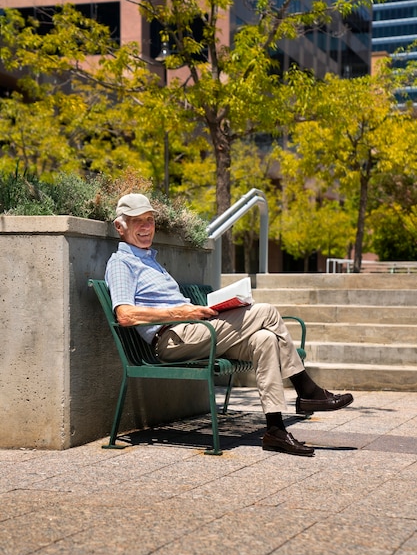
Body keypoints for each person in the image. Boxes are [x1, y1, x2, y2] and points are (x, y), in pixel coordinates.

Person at [105, 193, 354, 457]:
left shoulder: (150, 260)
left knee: (265, 340)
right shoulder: (122, 263)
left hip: (195, 333)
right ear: (120, 227)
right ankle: (307, 389)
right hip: (173, 339)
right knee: (266, 312)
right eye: (137, 222)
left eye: (150, 220)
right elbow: (125, 315)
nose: (146, 227)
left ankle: (275, 430)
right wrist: (181, 312)